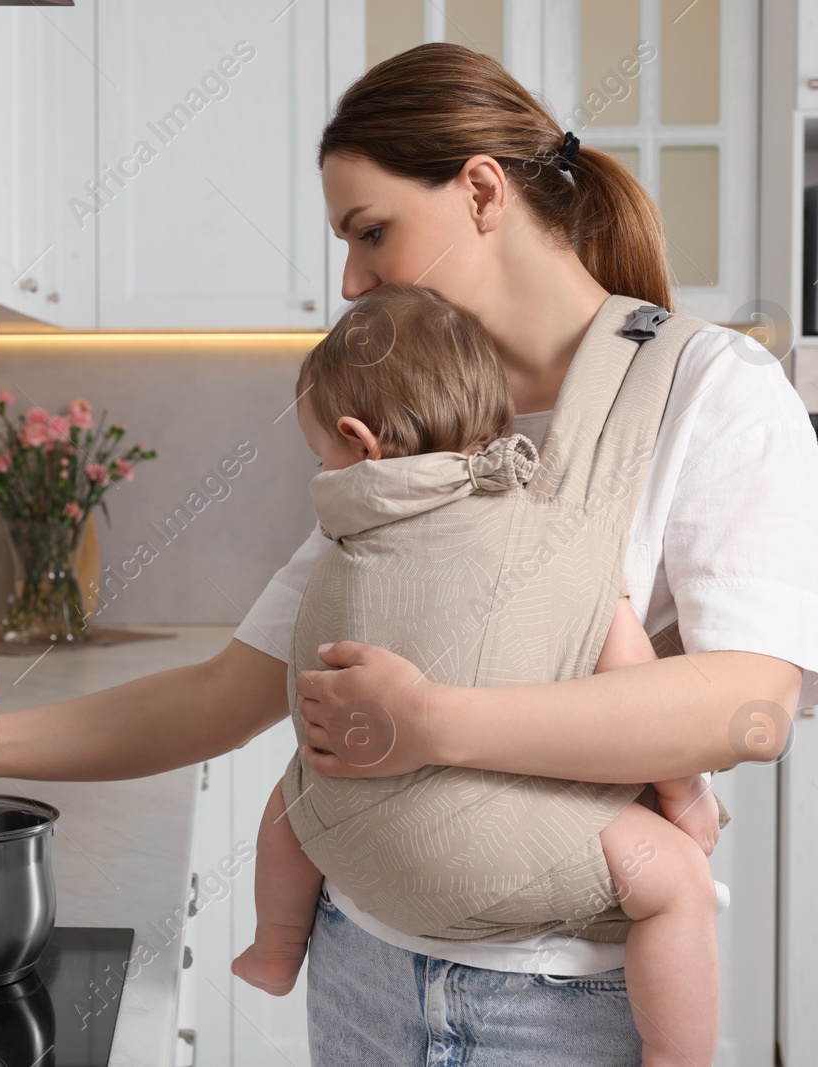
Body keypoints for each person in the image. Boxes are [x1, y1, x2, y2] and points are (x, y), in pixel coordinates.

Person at [0, 42, 818, 1062]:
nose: (349, 279)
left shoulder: (711, 392)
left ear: (480, 191)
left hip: (558, 1002)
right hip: (360, 970)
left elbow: (746, 704)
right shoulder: (410, 430)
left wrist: (429, 723)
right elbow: (221, 694)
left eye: (371, 231)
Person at [227, 283, 722, 1067]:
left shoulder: (342, 553)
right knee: (678, 884)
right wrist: (685, 793)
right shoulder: (557, 530)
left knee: (291, 801)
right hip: (513, 861)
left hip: (357, 855)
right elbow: (637, 687)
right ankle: (678, 1052)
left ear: (359, 444)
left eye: (316, 449)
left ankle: (273, 946)